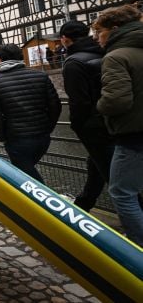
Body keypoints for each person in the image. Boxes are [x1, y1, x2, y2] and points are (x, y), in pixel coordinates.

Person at [93, 4, 143, 247]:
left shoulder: (116, 57)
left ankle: (137, 247)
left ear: (114, 29)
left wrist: (99, 106)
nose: (96, 39)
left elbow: (116, 101)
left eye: (99, 32)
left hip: (134, 137)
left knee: (122, 193)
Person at [0, 43, 61, 183]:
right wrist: (48, 128)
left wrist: (2, 137)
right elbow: (55, 106)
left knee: (29, 180)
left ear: (0, 60)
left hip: (17, 139)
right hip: (43, 138)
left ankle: (50, 203)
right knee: (26, 172)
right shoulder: (41, 76)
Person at [59, 20, 113, 212]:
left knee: (113, 179)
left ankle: (136, 230)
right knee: (96, 164)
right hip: (113, 119)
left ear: (65, 39)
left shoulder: (73, 63)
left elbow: (79, 101)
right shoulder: (103, 52)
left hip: (94, 126)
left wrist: (77, 125)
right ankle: (83, 205)